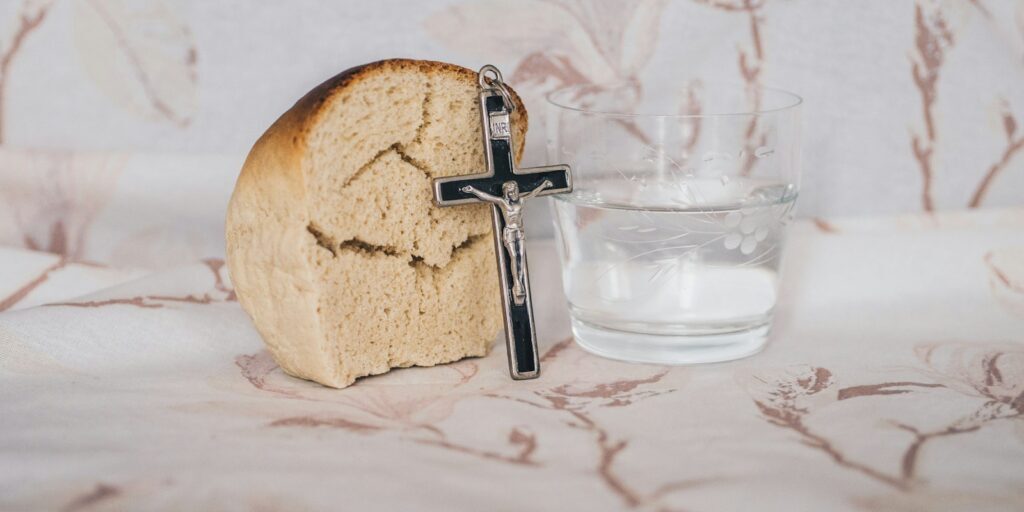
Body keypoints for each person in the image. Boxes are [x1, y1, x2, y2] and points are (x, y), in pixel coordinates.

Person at [460, 179, 552, 305]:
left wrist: (544, 185)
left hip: (519, 231)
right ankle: (517, 284)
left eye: (515, 190)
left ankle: (519, 282)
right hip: (509, 232)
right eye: (511, 191)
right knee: (514, 257)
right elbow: (487, 197)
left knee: (521, 257)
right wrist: (473, 190)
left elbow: (533, 193)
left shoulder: (521, 200)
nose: (514, 193)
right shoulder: (503, 203)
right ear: (506, 193)